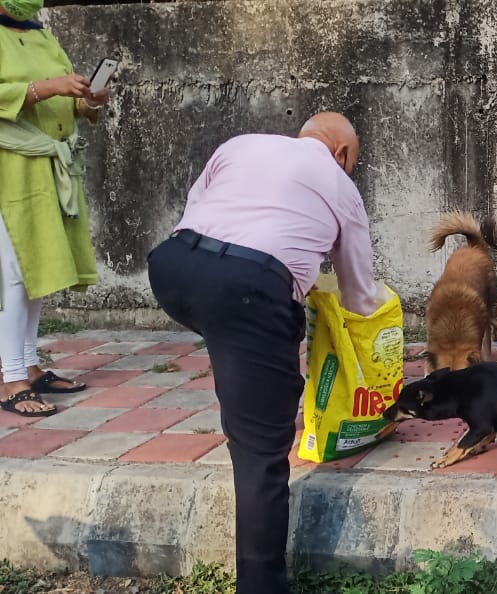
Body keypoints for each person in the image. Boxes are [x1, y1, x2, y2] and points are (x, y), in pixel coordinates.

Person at [147, 112, 381, 594]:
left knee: (240, 340)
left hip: (171, 269)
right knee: (258, 451)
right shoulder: (340, 187)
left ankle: (242, 378)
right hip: (249, 291)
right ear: (342, 154)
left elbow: (196, 208)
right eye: (351, 163)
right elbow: (360, 296)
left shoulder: (241, 143)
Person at [0, 0, 111, 417]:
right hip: (9, 168)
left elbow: (70, 106)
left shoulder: (41, 33)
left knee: (38, 271)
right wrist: (48, 87)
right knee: (13, 273)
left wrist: (90, 100)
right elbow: (39, 92)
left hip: (48, 166)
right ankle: (11, 379)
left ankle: (29, 366)